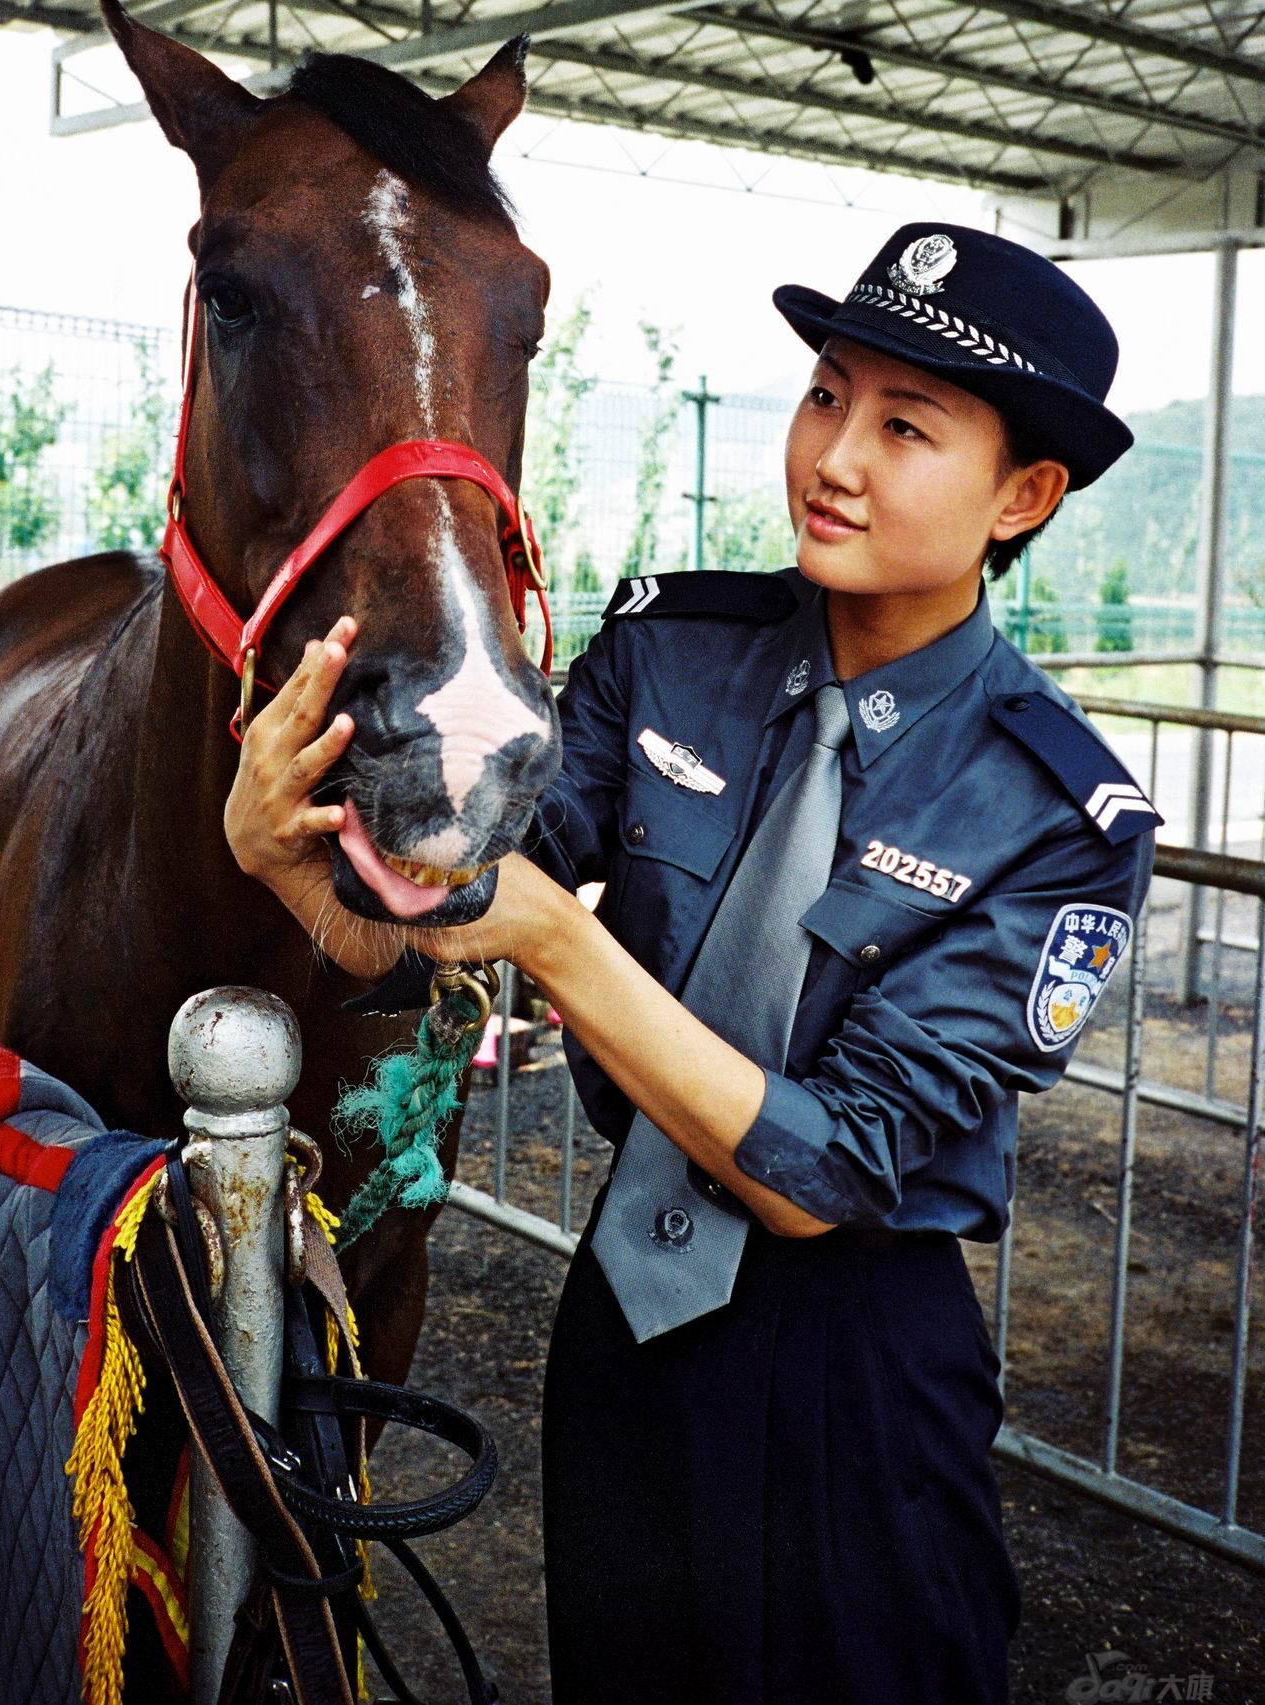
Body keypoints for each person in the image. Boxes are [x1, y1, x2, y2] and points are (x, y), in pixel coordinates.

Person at [224, 221, 1159, 1704]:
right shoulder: (671, 650)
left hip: (859, 1365)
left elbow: (830, 1167)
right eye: (824, 394)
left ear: (1023, 495)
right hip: (625, 1319)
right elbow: (453, 901)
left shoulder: (1051, 810)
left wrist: (565, 940)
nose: (833, 456)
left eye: (903, 426)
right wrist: (296, 856)